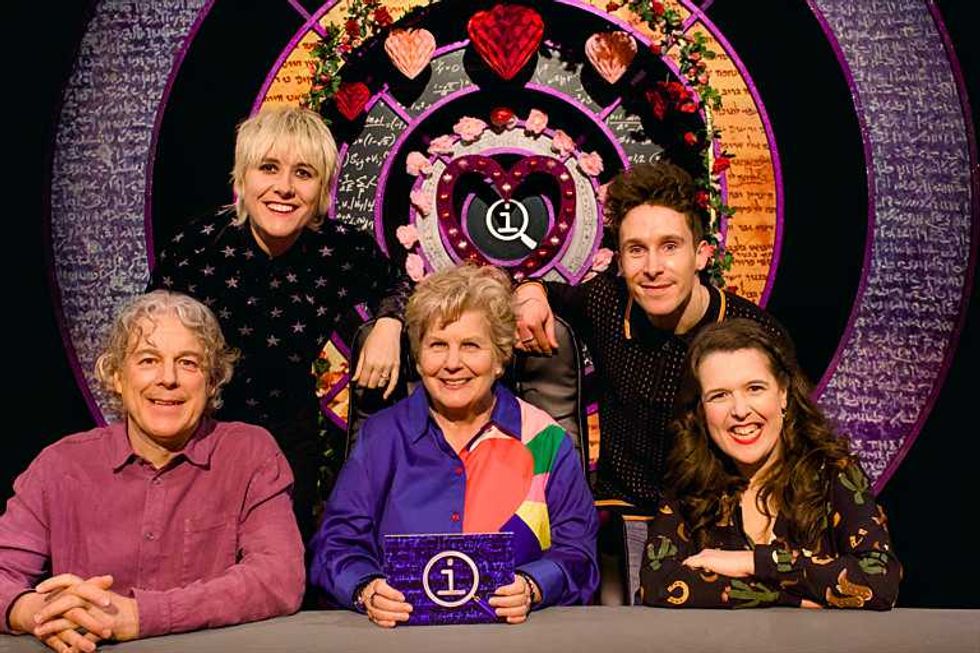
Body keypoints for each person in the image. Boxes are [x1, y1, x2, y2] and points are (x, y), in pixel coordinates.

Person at [148, 105, 410, 540]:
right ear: (242, 178)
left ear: (323, 189)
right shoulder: (197, 247)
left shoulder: (341, 250)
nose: (284, 188)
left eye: (304, 174)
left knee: (283, 576)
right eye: (268, 168)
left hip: (288, 436)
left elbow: (403, 284)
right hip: (196, 433)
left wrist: (389, 323)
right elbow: (146, 338)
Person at [0, 291, 304, 651]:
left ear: (212, 382)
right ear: (115, 375)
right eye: (148, 360)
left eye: (188, 363)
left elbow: (279, 577)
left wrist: (142, 616)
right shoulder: (60, 466)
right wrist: (36, 611)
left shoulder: (250, 454)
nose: (168, 379)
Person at [309, 264, 598, 627]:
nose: (452, 364)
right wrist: (367, 588)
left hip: (514, 638)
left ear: (500, 357)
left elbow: (579, 554)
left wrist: (532, 586)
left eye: (471, 346)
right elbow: (336, 544)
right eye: (437, 346)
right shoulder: (382, 437)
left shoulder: (545, 439)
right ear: (418, 356)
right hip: (401, 638)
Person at [516, 161, 786, 510]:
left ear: (702, 255)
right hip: (621, 515)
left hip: (718, 518)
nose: (653, 268)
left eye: (670, 246)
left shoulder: (754, 333)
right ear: (620, 260)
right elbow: (546, 292)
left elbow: (797, 445)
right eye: (637, 249)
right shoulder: (607, 301)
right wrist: (530, 294)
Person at [639, 319, 901, 609]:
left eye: (754, 388)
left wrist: (753, 562)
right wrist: (786, 596)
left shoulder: (834, 472)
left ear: (784, 393)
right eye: (720, 395)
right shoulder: (689, 480)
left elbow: (879, 582)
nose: (740, 411)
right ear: (701, 411)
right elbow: (657, 584)